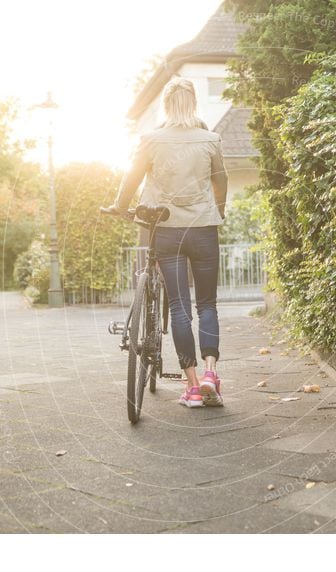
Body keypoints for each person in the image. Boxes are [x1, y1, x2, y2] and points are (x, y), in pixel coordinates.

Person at [106, 77, 228, 408]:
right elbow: (221, 183)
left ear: (166, 106)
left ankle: (191, 387)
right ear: (193, 105)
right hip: (203, 228)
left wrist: (120, 205)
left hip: (167, 230)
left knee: (178, 307)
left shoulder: (151, 140)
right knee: (207, 305)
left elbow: (132, 177)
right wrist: (220, 211)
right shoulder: (210, 139)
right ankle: (209, 374)